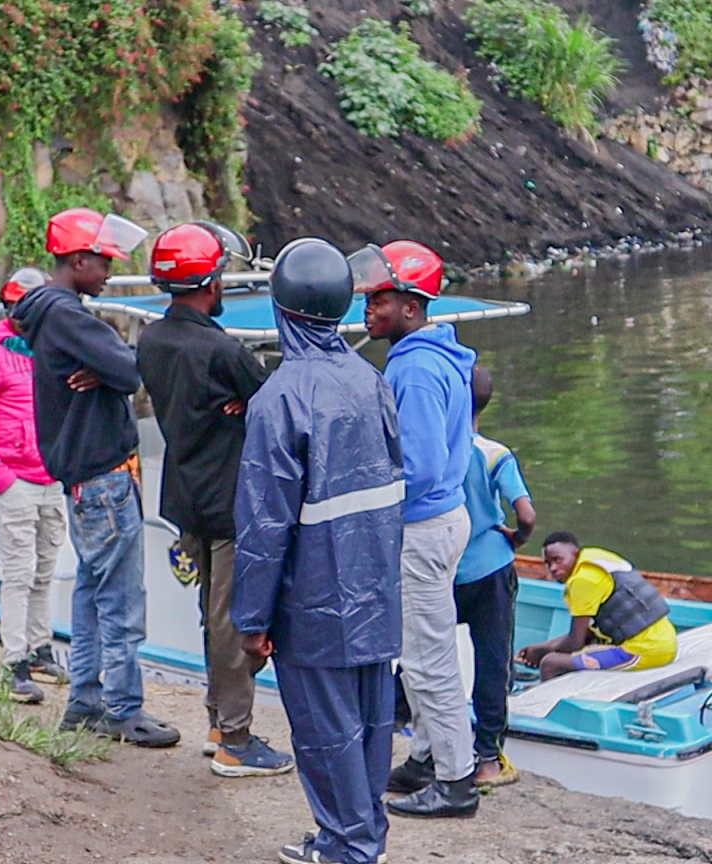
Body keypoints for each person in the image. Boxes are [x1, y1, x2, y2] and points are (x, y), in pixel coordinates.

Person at [231, 238, 404, 864]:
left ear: (280, 308)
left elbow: (263, 525)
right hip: (374, 593)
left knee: (326, 734)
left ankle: (348, 847)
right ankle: (361, 836)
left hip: (313, 603)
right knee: (371, 726)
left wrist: (252, 621)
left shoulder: (278, 398)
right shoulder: (371, 380)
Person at [11, 207, 181, 747]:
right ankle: (123, 709)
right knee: (121, 601)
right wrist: (114, 367)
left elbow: (118, 367)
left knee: (90, 594)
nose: (109, 271)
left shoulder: (51, 313)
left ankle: (84, 702)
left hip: (85, 480)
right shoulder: (68, 316)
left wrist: (108, 367)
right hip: (105, 476)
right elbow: (131, 370)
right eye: (103, 261)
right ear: (77, 260)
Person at [136, 223, 292, 776]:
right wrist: (246, 406)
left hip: (184, 495)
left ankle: (216, 720)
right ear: (210, 282)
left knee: (211, 613)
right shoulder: (223, 350)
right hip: (230, 501)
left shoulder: (151, 340)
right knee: (232, 620)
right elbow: (276, 403)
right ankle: (236, 740)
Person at [356, 239, 478, 819]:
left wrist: (370, 497)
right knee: (427, 648)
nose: (368, 310)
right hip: (444, 518)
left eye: (379, 300)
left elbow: (421, 466)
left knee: (429, 660)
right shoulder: (434, 355)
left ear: (411, 306)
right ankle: (426, 758)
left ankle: (456, 781)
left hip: (423, 526)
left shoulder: (416, 369)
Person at [0, 267, 69, 704]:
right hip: (15, 482)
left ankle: (39, 650)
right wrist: (1, 479)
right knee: (20, 574)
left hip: (49, 480)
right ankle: (14, 661)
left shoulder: (49, 356)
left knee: (43, 572)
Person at [454, 364, 536, 787]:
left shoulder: (436, 449)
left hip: (445, 568)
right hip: (492, 568)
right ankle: (488, 759)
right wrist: (518, 537)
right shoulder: (494, 453)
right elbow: (526, 514)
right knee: (493, 663)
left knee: (427, 657)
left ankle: (415, 738)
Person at [516, 532, 678, 680]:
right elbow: (589, 633)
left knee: (551, 664)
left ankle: (548, 702)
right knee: (573, 654)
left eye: (558, 560)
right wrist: (541, 647)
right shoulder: (593, 558)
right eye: (547, 563)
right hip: (666, 642)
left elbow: (575, 643)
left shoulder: (582, 580)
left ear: (575, 554)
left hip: (644, 652)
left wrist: (541, 653)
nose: (553, 568)